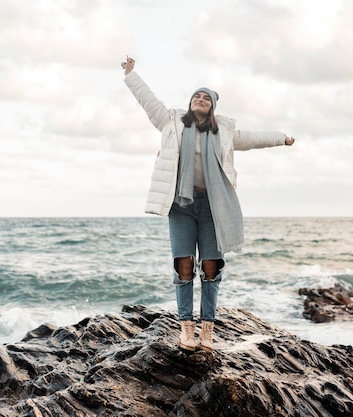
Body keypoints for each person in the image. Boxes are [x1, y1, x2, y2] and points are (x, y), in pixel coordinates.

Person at [122, 56, 295, 352]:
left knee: (211, 267)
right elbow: (147, 100)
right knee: (184, 265)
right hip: (181, 205)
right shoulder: (171, 121)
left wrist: (282, 137)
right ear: (190, 103)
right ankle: (186, 327)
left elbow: (255, 138)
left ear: (213, 106)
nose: (200, 99)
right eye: (196, 96)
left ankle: (208, 330)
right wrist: (131, 75)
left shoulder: (225, 133)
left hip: (214, 207)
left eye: (206, 98)